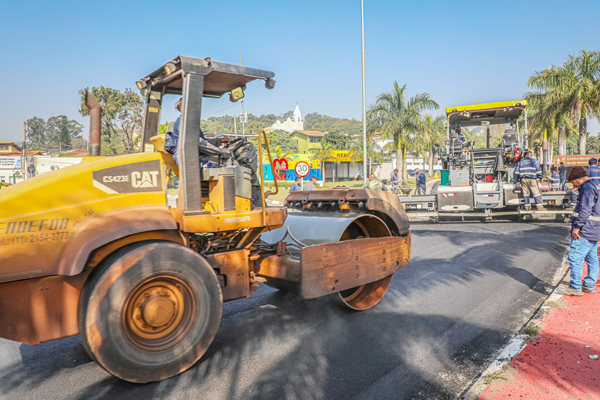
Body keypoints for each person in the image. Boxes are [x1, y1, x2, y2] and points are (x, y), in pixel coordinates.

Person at [557, 166, 599, 296]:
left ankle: (575, 287)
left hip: (585, 230)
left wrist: (577, 227)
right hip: (594, 229)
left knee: (575, 257)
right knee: (592, 258)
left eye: (573, 182)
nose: (573, 185)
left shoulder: (586, 188)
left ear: (579, 179)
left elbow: (585, 210)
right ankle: (589, 285)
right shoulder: (595, 185)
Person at [165, 97, 230, 167]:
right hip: (191, 163)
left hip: (196, 159)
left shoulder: (187, 123)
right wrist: (221, 151)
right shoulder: (182, 124)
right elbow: (197, 142)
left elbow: (203, 141)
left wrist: (219, 141)